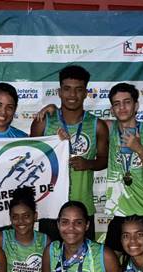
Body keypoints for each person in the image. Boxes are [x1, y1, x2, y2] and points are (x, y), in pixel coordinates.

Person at [31, 65, 108, 241]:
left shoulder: (97, 125)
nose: (72, 95)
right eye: (67, 89)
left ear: (86, 93)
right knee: (51, 255)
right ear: (59, 92)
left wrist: (88, 163)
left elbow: (104, 160)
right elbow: (32, 160)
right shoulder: (43, 122)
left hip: (83, 206)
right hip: (51, 207)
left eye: (78, 89)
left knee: (86, 256)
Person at [103, 83, 143, 254]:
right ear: (112, 109)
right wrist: (53, 109)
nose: (122, 107)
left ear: (136, 105)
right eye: (117, 104)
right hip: (121, 212)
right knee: (111, 262)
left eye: (127, 102)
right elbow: (79, 119)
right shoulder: (108, 128)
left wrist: (139, 148)